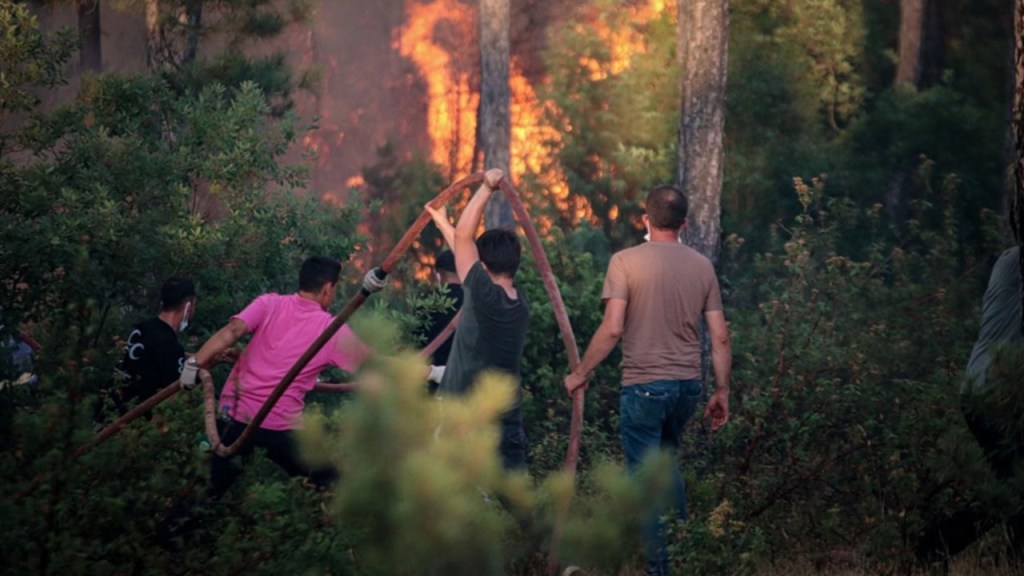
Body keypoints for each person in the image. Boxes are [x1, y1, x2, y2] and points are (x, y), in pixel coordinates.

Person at [563, 185, 732, 576]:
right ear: (684, 224)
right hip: (687, 387)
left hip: (643, 387)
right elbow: (720, 336)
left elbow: (611, 329)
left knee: (646, 481)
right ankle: (675, 554)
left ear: (645, 219)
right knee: (665, 467)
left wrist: (579, 374)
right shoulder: (702, 267)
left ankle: (662, 569)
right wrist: (721, 390)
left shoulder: (625, 262)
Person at [179, 256, 387, 495]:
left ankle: (179, 526)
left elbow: (232, 331)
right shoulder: (330, 329)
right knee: (331, 487)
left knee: (204, 493)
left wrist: (193, 363)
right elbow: (373, 363)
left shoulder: (268, 303)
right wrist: (430, 371)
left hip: (233, 417)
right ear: (328, 288)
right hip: (279, 427)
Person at [915, 244, 1023, 570]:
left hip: (979, 390)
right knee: (1015, 491)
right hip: (999, 396)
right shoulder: (1018, 264)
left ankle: (1005, 559)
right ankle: (936, 544)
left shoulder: (1009, 258)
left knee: (1013, 487)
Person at [431, 169, 531, 471]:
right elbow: (465, 253)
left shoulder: (484, 296)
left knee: (453, 505)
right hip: (506, 420)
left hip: (465, 418)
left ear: (482, 267)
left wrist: (487, 188)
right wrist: (442, 223)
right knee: (521, 507)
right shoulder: (519, 303)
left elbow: (464, 240)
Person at [104, 277, 196, 416]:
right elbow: (175, 398)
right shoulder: (170, 346)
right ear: (188, 306)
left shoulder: (143, 327)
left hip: (107, 410)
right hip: (130, 424)